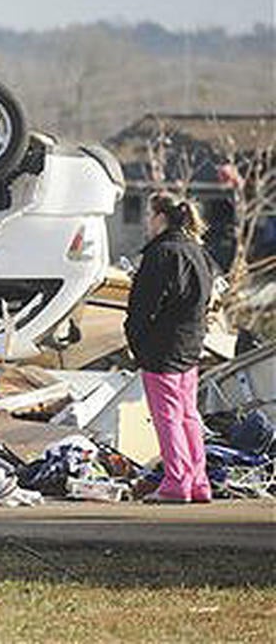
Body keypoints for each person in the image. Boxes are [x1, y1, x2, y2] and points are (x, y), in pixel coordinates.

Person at [124, 192, 214, 503]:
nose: (147, 224)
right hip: (191, 345)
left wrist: (136, 341)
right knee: (189, 415)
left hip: (162, 348)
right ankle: (199, 482)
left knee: (167, 418)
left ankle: (177, 482)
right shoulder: (197, 252)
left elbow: (143, 306)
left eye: (150, 217)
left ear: (160, 217)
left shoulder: (161, 253)